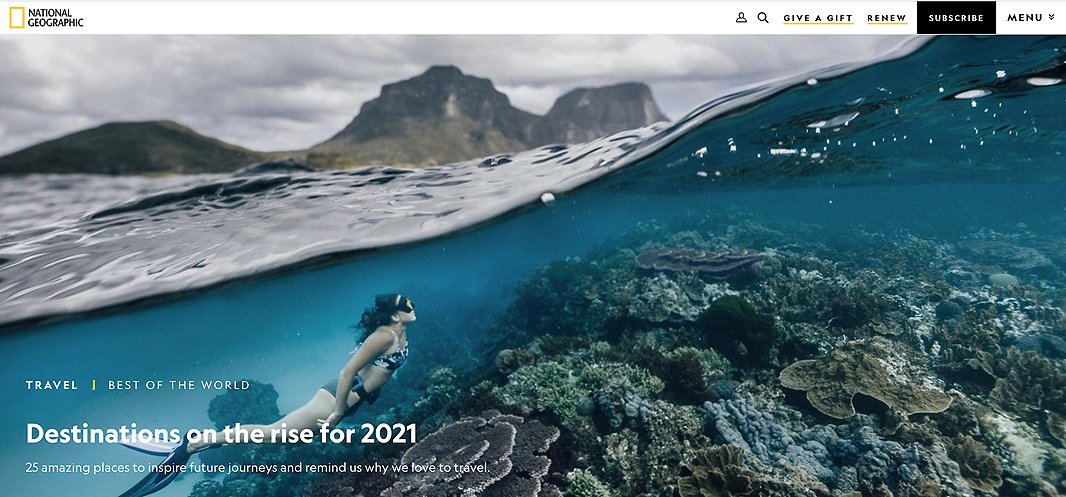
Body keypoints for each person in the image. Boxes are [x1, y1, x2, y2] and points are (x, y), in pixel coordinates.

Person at [117, 294, 415, 497]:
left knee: (287, 437)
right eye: (407, 304)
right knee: (273, 434)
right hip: (339, 398)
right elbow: (346, 373)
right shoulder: (385, 335)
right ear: (393, 314)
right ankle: (196, 443)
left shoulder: (399, 334)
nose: (412, 308)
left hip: (353, 399)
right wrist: (338, 411)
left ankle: (200, 440)